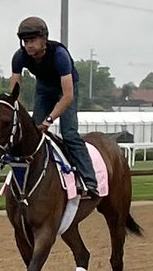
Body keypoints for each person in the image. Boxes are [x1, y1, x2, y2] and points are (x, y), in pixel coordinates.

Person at [7, 15, 99, 198]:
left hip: (66, 89)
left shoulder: (59, 56)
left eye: (32, 40)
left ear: (44, 39)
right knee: (33, 134)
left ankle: (89, 180)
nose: (28, 45)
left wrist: (48, 120)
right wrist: (19, 111)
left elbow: (67, 95)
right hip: (43, 87)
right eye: (25, 41)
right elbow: (14, 92)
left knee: (70, 134)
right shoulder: (19, 57)